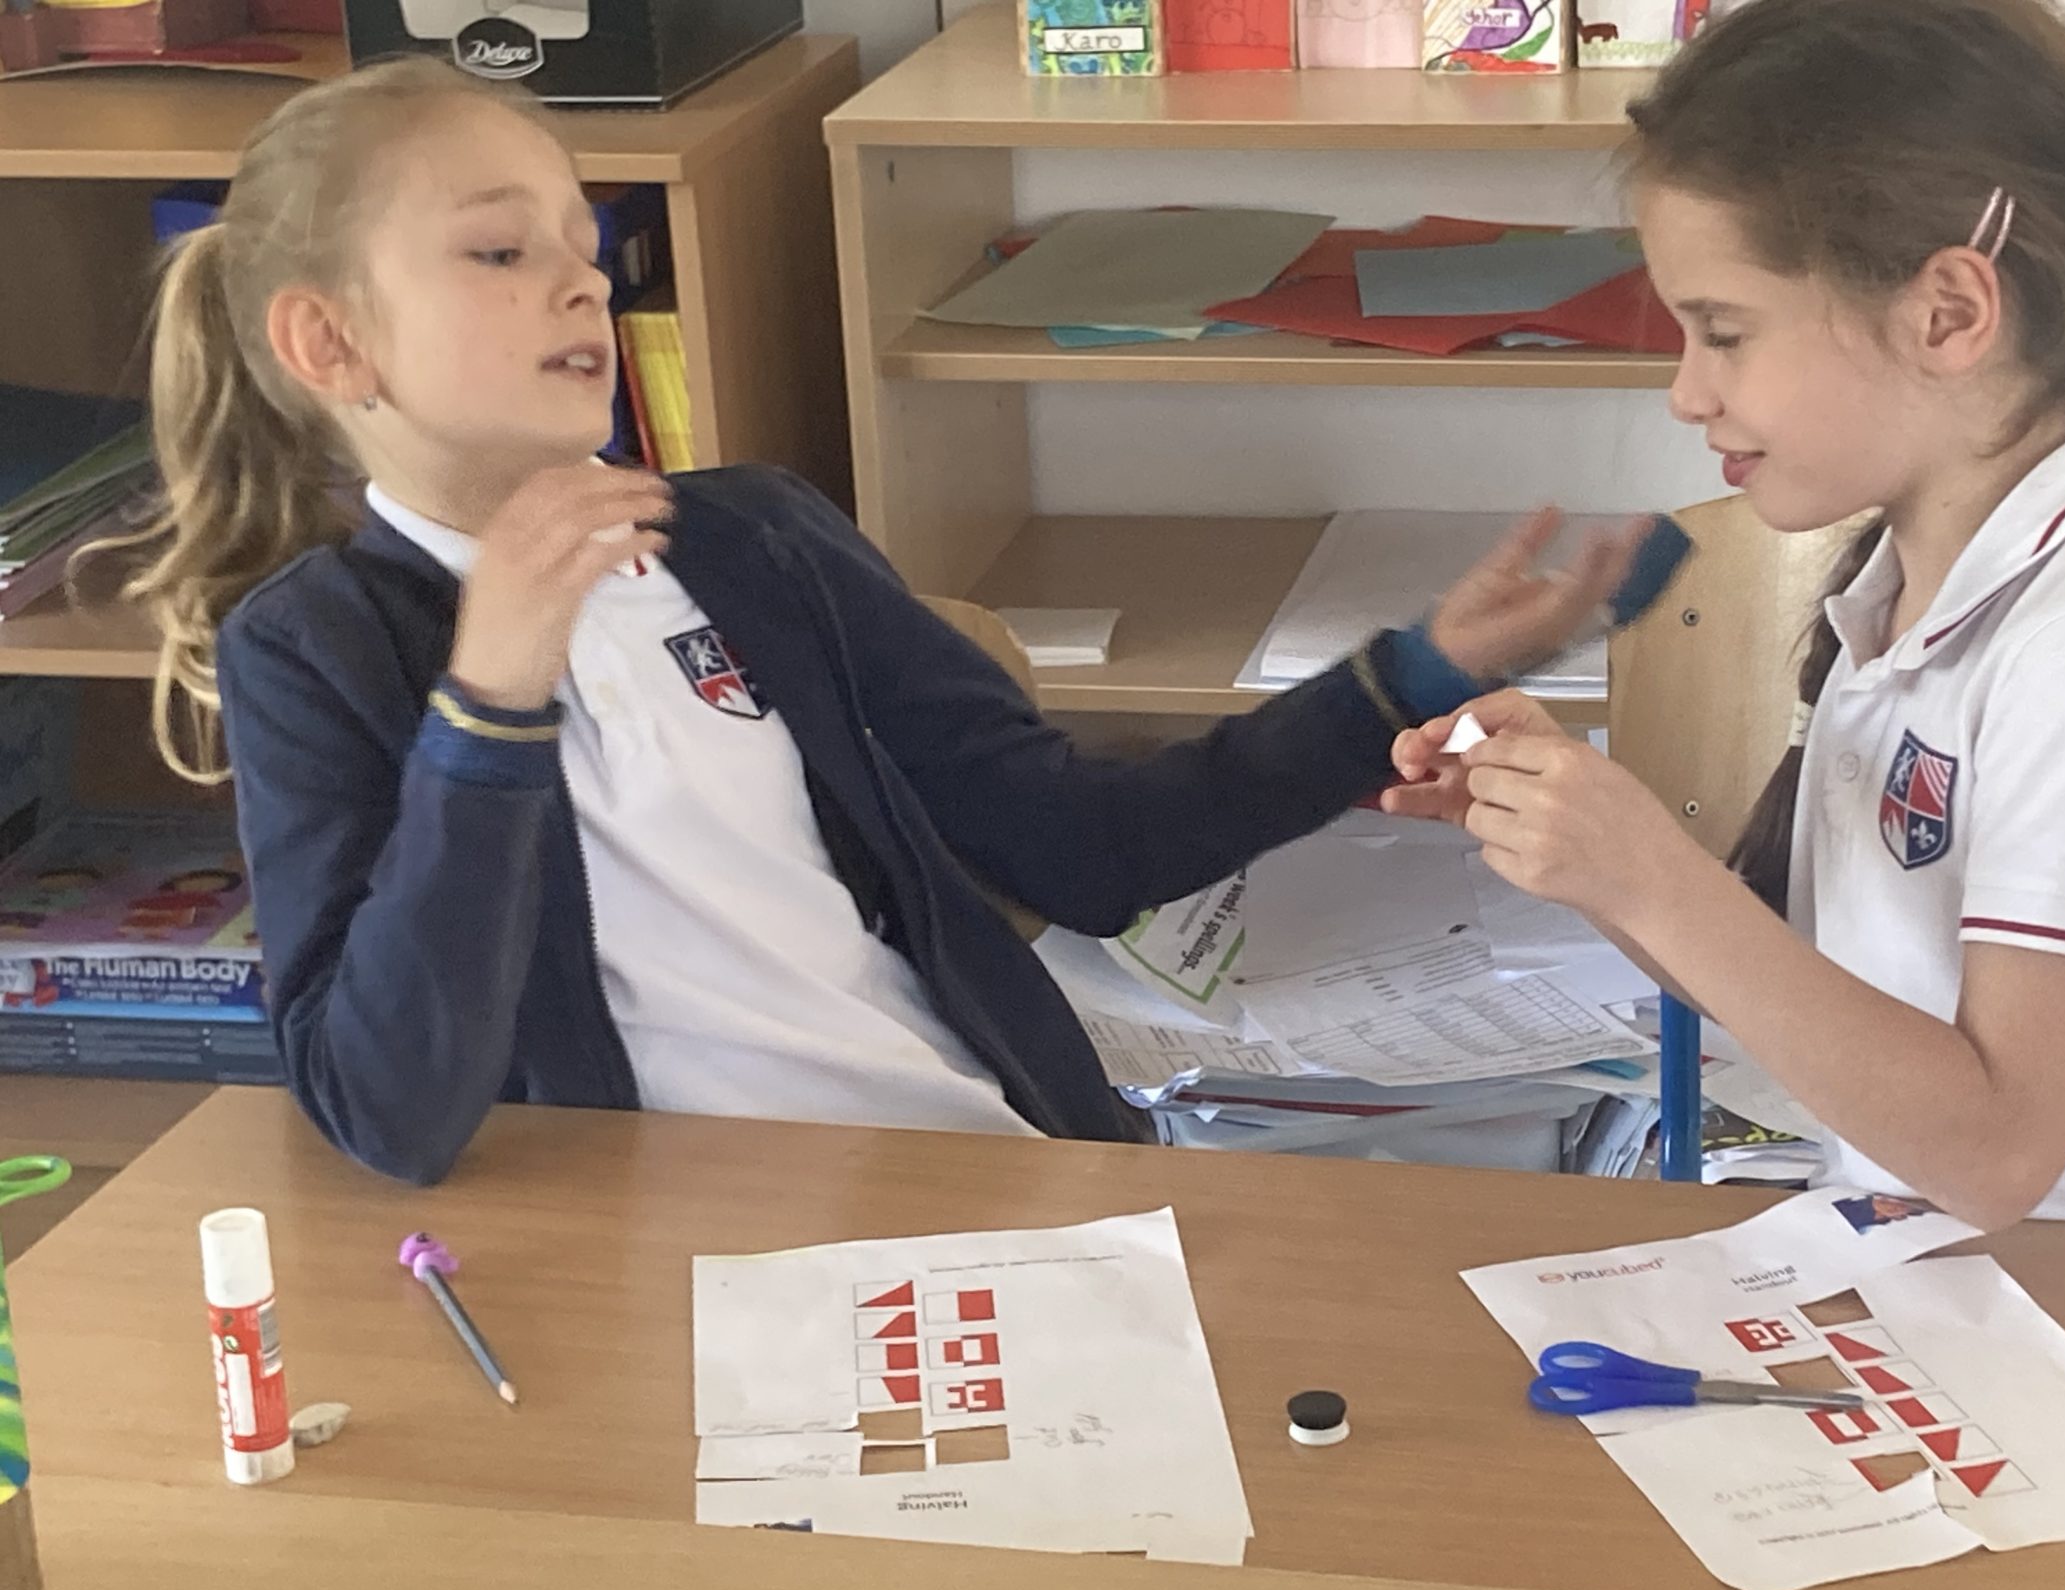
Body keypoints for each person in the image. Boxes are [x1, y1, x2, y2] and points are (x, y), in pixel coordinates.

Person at [106, 58, 1633, 1185]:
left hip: (972, 1172)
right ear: (330, 343)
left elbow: (1084, 853)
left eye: (584, 243)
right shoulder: (314, 652)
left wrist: (1410, 675)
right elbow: (387, 1107)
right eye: (503, 252)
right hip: (647, 1263)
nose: (581, 286)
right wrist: (490, 703)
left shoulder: (755, 541)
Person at [1388, 0, 2065, 1230]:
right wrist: (1593, 860)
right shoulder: (1903, 598)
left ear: (1947, 313)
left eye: (1723, 332)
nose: (1687, 392)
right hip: (1965, 1270)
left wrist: (1651, 877)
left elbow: (1997, 1154)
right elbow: (1796, 1004)